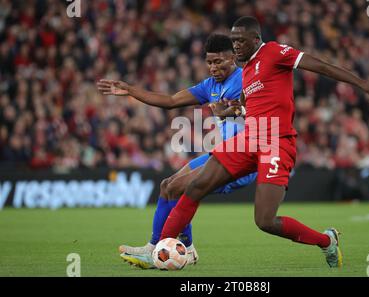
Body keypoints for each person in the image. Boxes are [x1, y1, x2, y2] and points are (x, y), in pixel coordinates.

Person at [156, 16, 369, 268]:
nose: (236, 45)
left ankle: (326, 241)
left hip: (276, 141)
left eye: (240, 40)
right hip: (250, 138)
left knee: (265, 221)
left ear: (256, 39)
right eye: (233, 40)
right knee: (196, 186)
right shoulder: (248, 70)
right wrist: (226, 112)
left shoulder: (274, 52)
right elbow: (246, 106)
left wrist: (364, 85)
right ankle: (161, 250)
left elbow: (321, 66)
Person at [97, 34, 257, 268]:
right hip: (221, 155)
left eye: (219, 62)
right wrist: (131, 90)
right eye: (209, 62)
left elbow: (258, 112)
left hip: (241, 162)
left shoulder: (245, 81)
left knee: (176, 188)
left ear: (233, 58)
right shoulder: (210, 86)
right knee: (167, 184)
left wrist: (238, 109)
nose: (213, 67)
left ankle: (160, 249)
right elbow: (171, 100)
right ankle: (173, 248)